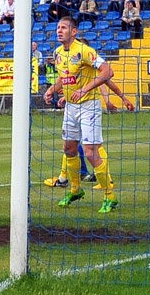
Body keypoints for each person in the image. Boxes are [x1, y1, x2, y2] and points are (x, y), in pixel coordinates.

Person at [42, 16, 127, 213]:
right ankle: (75, 190)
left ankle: (109, 196)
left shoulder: (84, 51)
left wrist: (86, 89)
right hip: (71, 107)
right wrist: (52, 90)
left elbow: (108, 72)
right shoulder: (57, 54)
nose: (59, 31)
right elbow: (65, 79)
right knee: (69, 149)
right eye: (58, 27)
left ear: (74, 32)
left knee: (90, 151)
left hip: (89, 106)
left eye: (63, 27)